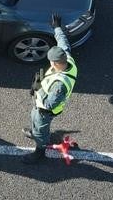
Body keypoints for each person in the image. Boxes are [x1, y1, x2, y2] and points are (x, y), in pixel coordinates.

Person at [22, 14, 77, 164]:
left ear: (56, 62)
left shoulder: (60, 85)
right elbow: (63, 43)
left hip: (45, 110)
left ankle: (39, 152)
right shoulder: (66, 57)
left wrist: (38, 88)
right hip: (38, 105)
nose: (50, 63)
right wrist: (57, 27)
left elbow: (49, 104)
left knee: (41, 126)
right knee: (34, 119)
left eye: (51, 61)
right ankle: (35, 133)